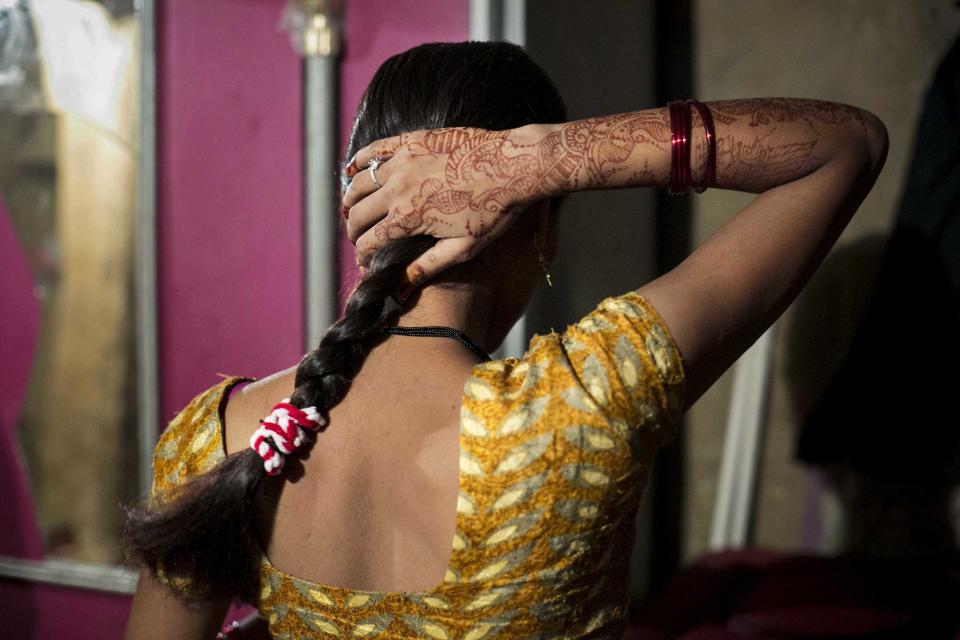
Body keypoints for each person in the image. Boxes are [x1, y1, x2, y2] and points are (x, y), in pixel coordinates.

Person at [122, 41, 888, 639]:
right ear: (538, 221)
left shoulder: (217, 438)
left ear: (357, 204)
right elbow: (844, 144)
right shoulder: (586, 401)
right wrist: (540, 158)